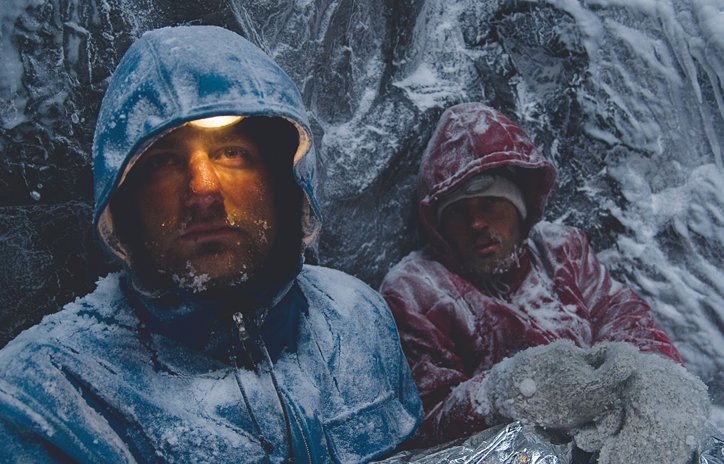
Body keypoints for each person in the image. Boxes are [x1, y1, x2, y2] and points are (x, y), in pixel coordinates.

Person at [0, 25, 421, 463]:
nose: (203, 189)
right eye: (163, 161)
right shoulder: (49, 401)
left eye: (231, 153)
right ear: (124, 200)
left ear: (281, 180)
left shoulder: (357, 321)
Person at [380, 103, 709, 463]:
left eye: (490, 204)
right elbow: (420, 422)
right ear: (438, 225)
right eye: (458, 211)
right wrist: (505, 389)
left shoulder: (562, 249)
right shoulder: (413, 291)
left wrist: (653, 373)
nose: (475, 223)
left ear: (519, 208)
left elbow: (622, 314)